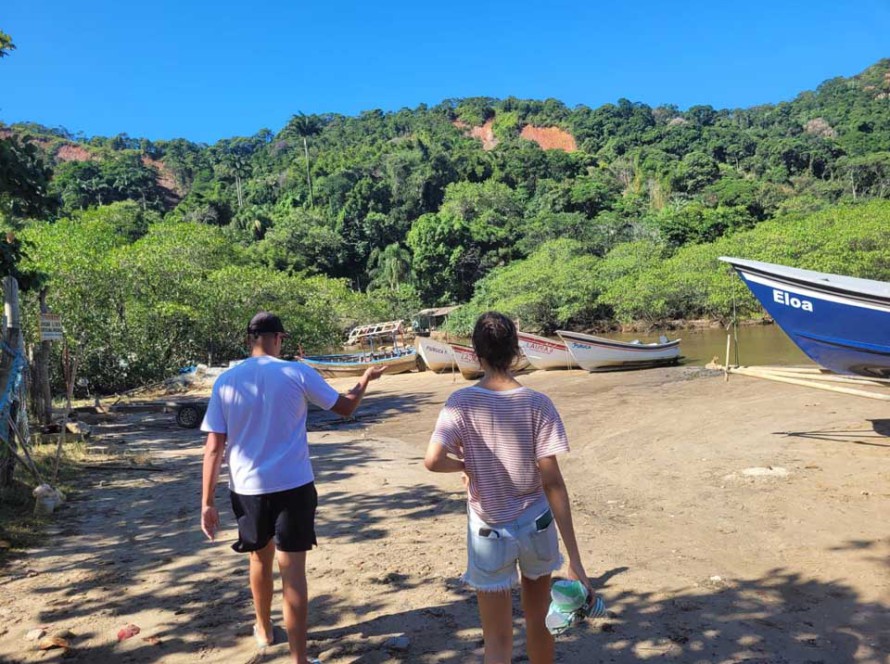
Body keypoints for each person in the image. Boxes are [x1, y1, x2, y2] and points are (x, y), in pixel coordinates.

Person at [200, 312, 385, 664]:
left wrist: (206, 502)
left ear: (249, 339)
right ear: (278, 339)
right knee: (293, 572)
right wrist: (364, 379)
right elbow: (345, 407)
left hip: (247, 488)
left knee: (258, 558)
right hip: (293, 484)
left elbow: (213, 448)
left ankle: (264, 629)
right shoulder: (296, 373)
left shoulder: (225, 381)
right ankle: (299, 659)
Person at [424, 311, 597, 664]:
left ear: (476, 354)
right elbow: (553, 483)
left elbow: (433, 459)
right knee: (540, 623)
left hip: (488, 530)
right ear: (516, 351)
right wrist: (575, 560)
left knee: (498, 639)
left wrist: (465, 466)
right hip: (536, 524)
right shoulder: (537, 404)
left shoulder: (460, 403)